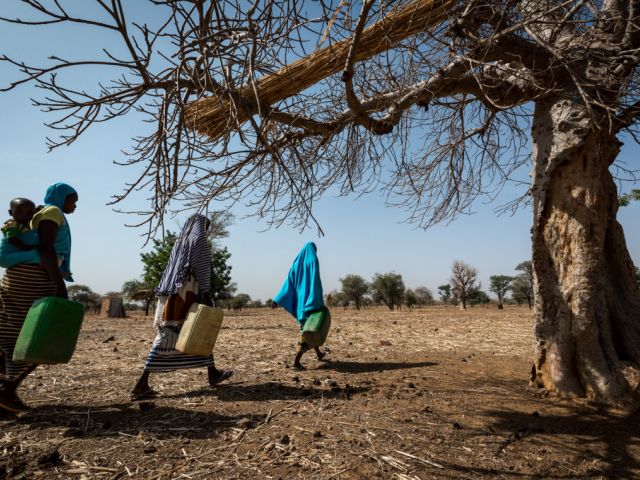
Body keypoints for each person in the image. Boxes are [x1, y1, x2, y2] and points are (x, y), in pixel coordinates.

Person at [131, 214, 232, 399]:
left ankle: (213, 373)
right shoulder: (199, 240)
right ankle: (141, 383)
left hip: (172, 292)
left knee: (197, 332)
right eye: (206, 227)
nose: (206, 231)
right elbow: (202, 269)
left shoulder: (180, 241)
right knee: (170, 336)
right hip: (185, 292)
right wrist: (207, 296)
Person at [0, 183, 78, 414]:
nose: (74, 205)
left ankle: (5, 390)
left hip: (18, 276)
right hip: (32, 278)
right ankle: (7, 391)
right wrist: (59, 285)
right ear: (62, 198)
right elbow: (46, 248)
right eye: (73, 200)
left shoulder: (39, 213)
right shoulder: (52, 212)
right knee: (37, 337)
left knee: (8, 332)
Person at [273, 242, 328, 371]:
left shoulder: (296, 264)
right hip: (310, 299)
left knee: (311, 327)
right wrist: (316, 299)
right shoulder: (313, 260)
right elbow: (315, 281)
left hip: (300, 300)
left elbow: (289, 282)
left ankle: (319, 354)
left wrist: (277, 298)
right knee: (306, 330)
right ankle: (296, 362)